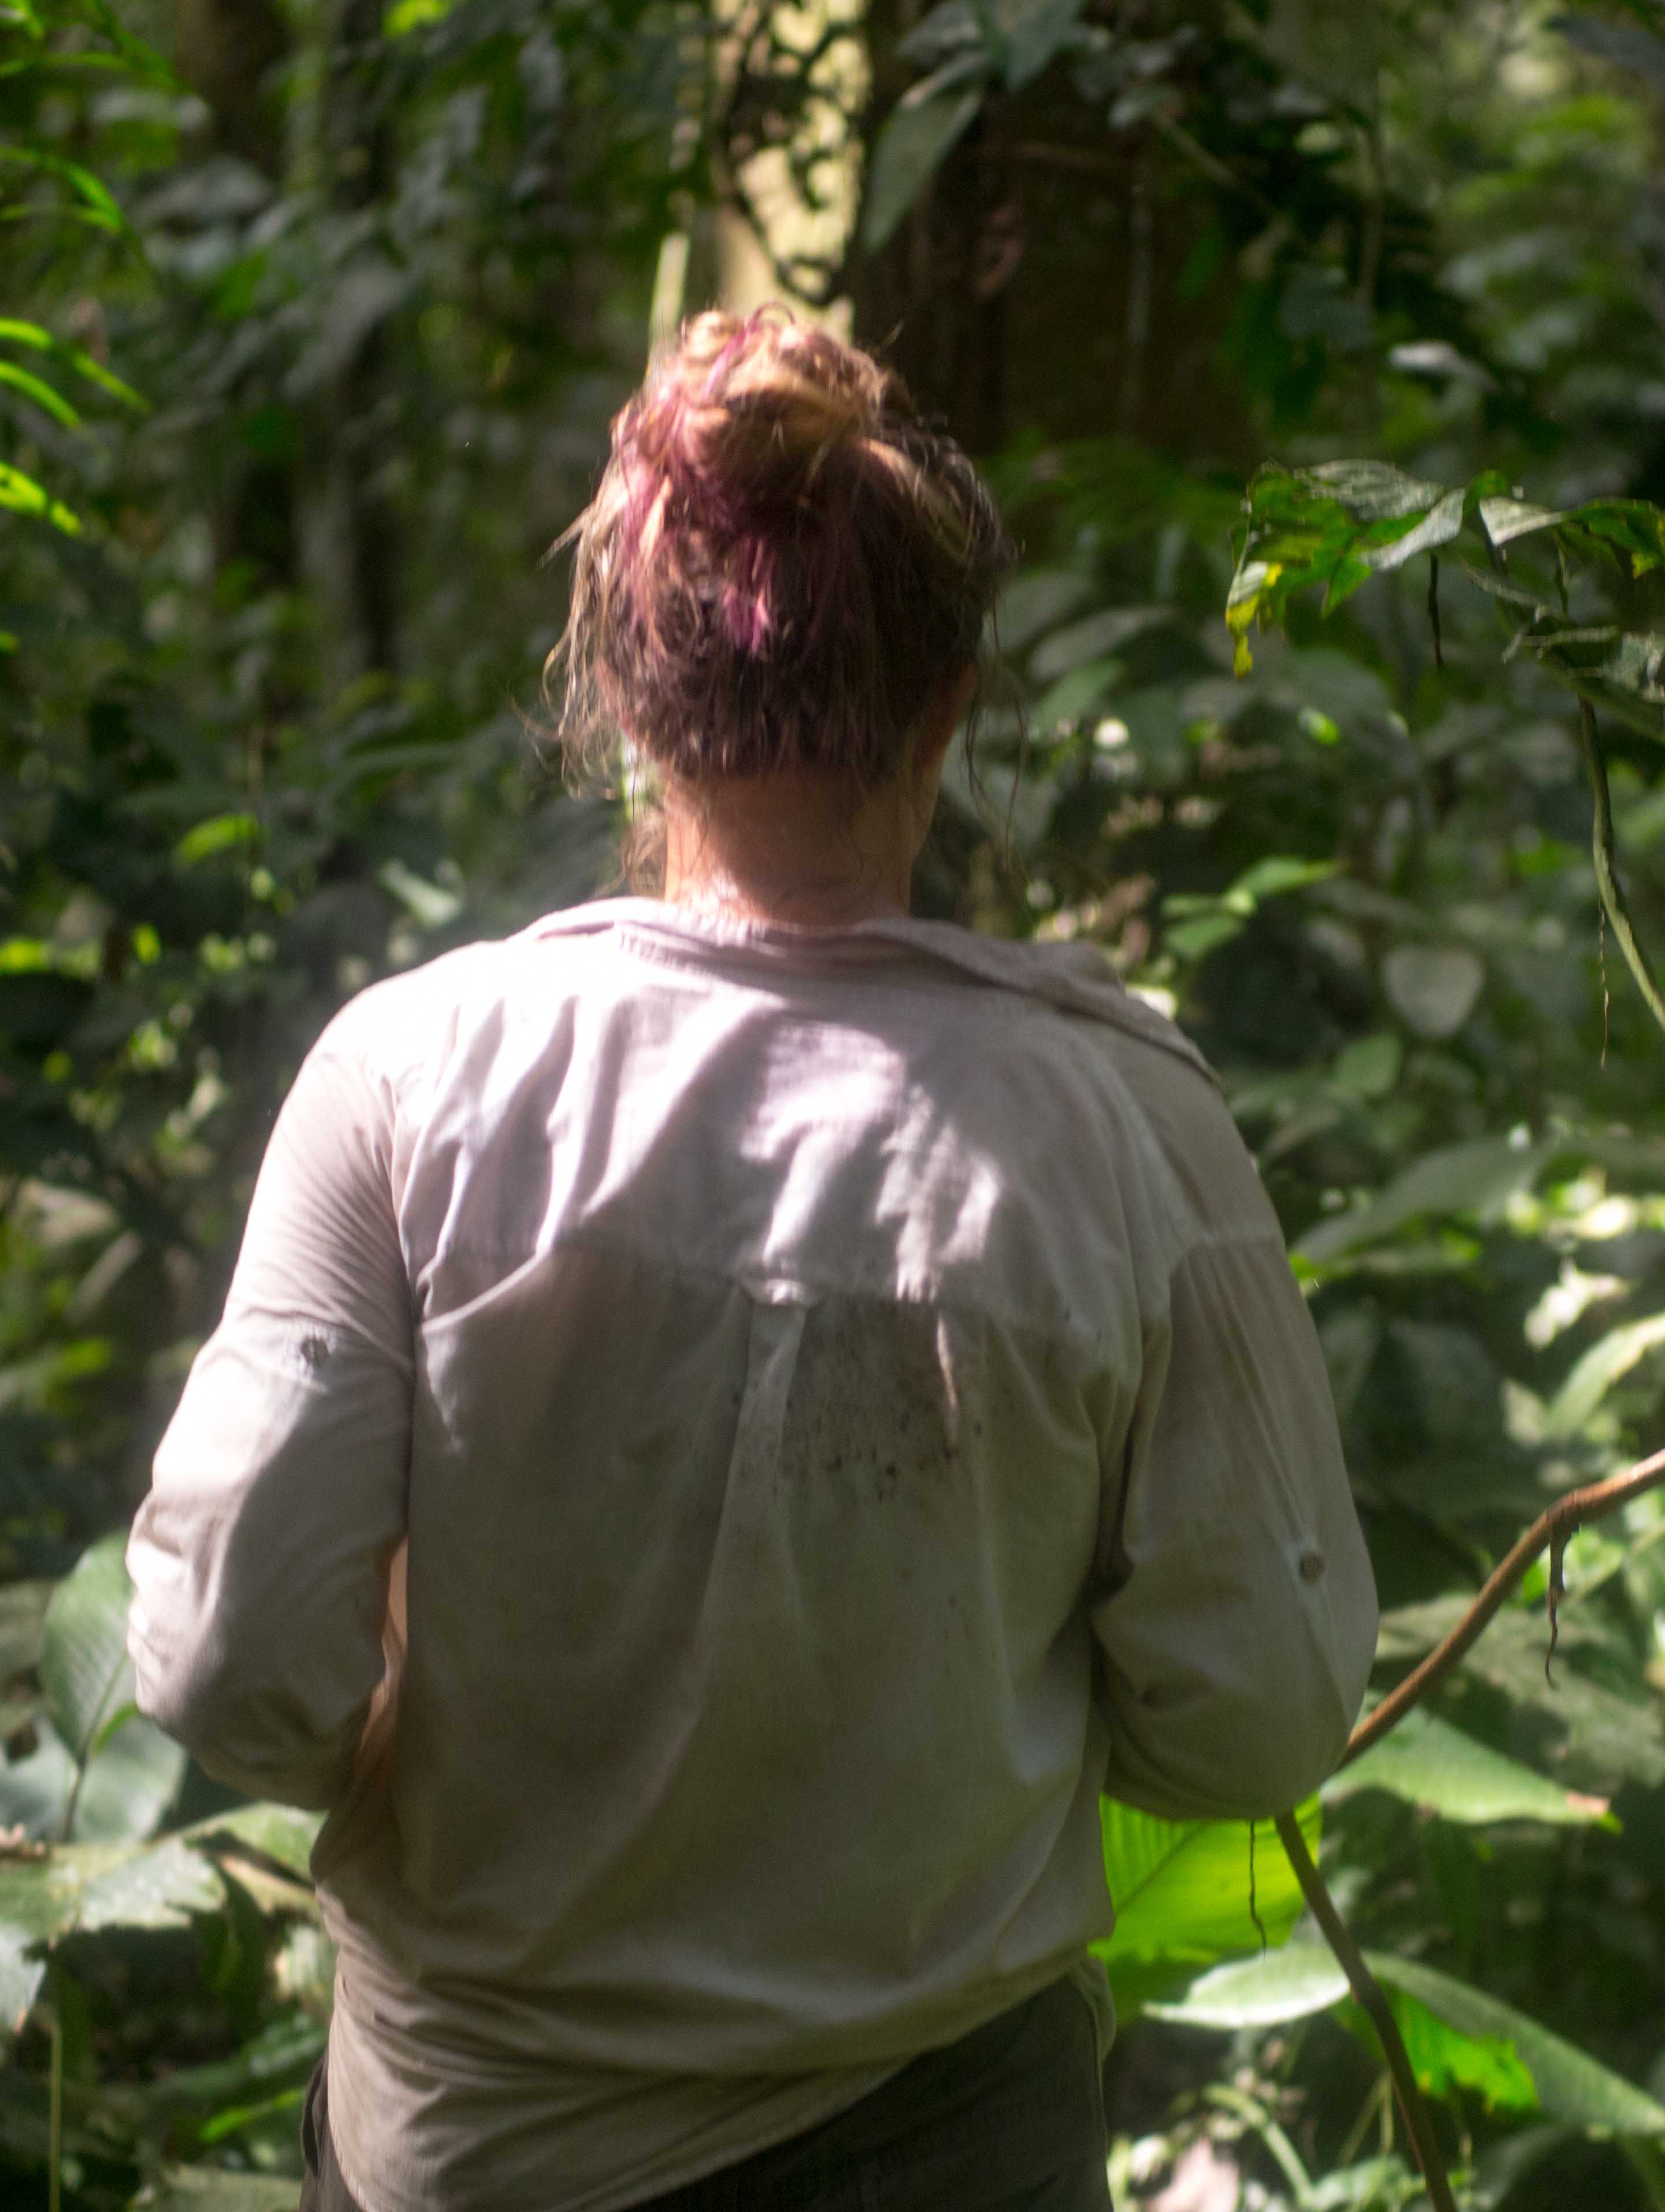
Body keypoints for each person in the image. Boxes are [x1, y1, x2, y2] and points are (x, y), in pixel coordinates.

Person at [126, 310, 1378, 2212]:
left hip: (477, 2148)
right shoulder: (1125, 1127)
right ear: (950, 709)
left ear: (624, 705)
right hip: (949, 2152)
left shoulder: (409, 1077)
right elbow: (1263, 1713)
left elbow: (232, 1669)